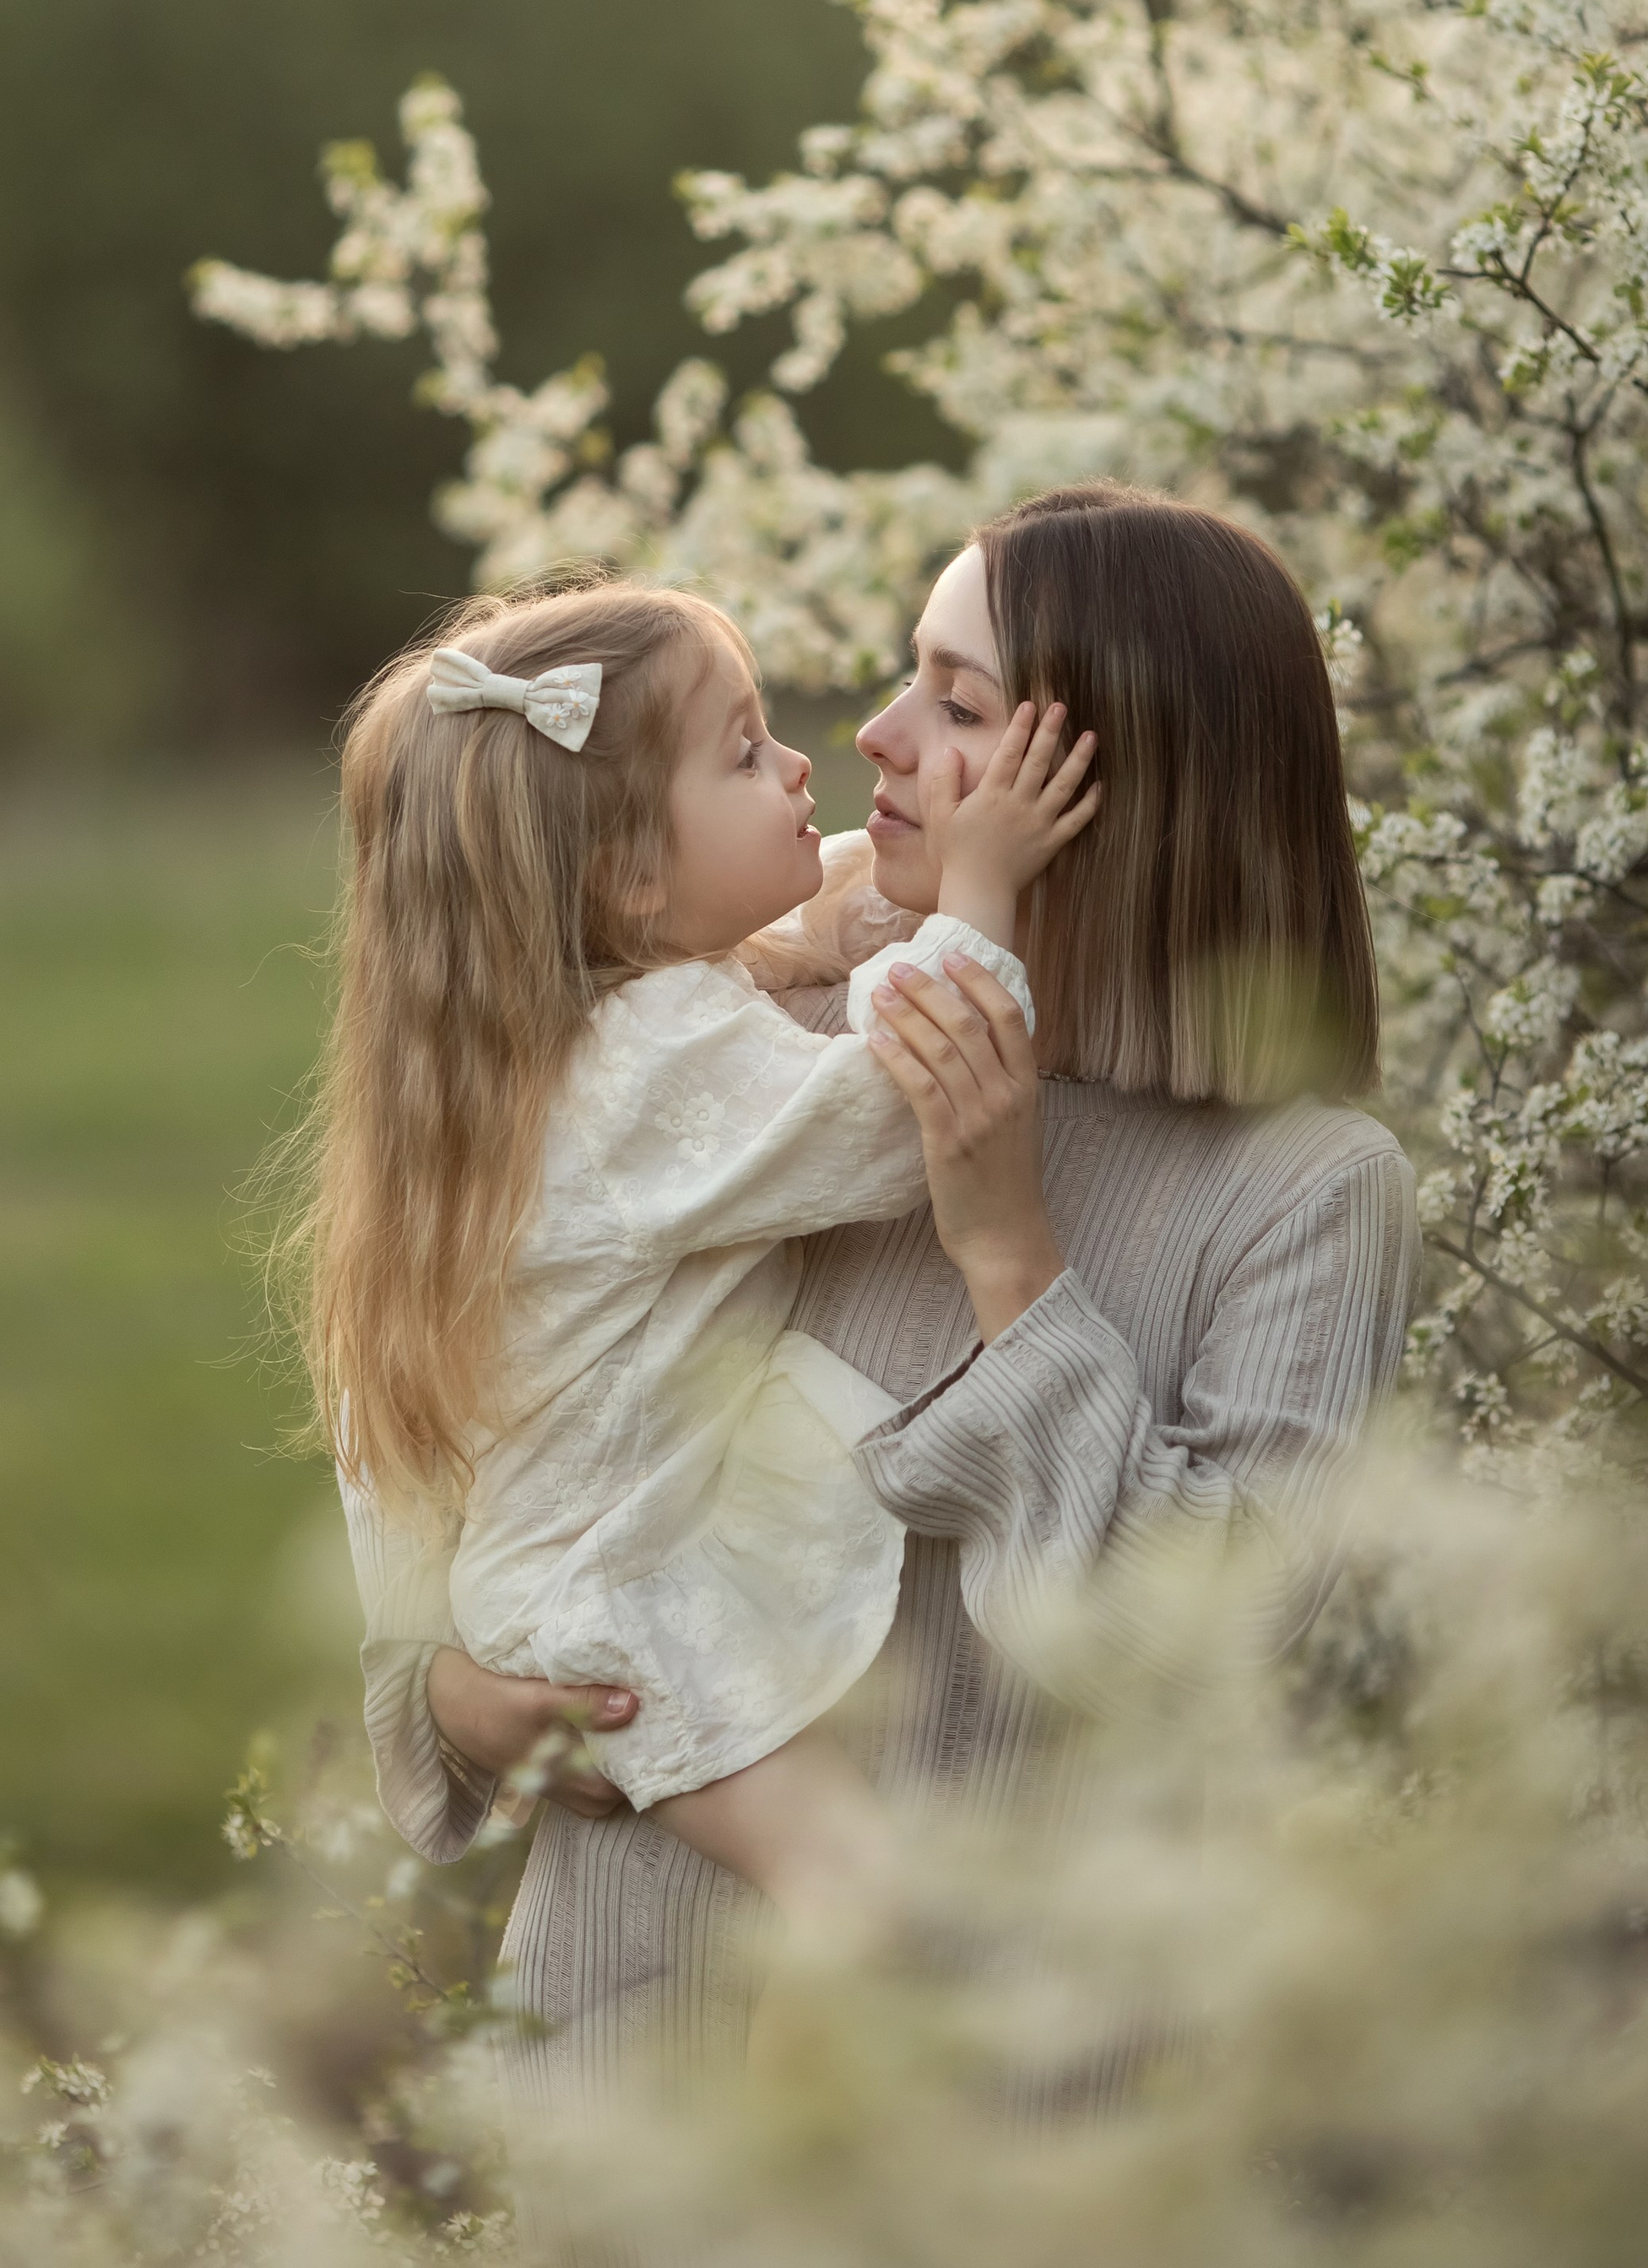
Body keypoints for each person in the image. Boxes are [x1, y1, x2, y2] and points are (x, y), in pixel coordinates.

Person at [359, 483, 1421, 2098]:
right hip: (635, 2044)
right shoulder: (764, 1055)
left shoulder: (1299, 1193)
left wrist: (1009, 1251)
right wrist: (447, 1696)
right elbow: (480, 1414)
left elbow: (1223, 1660)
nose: (870, 735)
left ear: (1112, 778)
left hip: (1007, 2099)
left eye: (957, 702)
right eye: (903, 675)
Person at [312, 579, 1099, 1929]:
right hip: (628, 1622)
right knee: (873, 1902)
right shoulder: (643, 1074)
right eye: (744, 752)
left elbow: (752, 938)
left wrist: (844, 915)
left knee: (873, 1904)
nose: (807, 761)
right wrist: (979, 882)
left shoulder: (556, 1039)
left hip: (566, 1591)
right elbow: (900, 1114)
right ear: (627, 875)